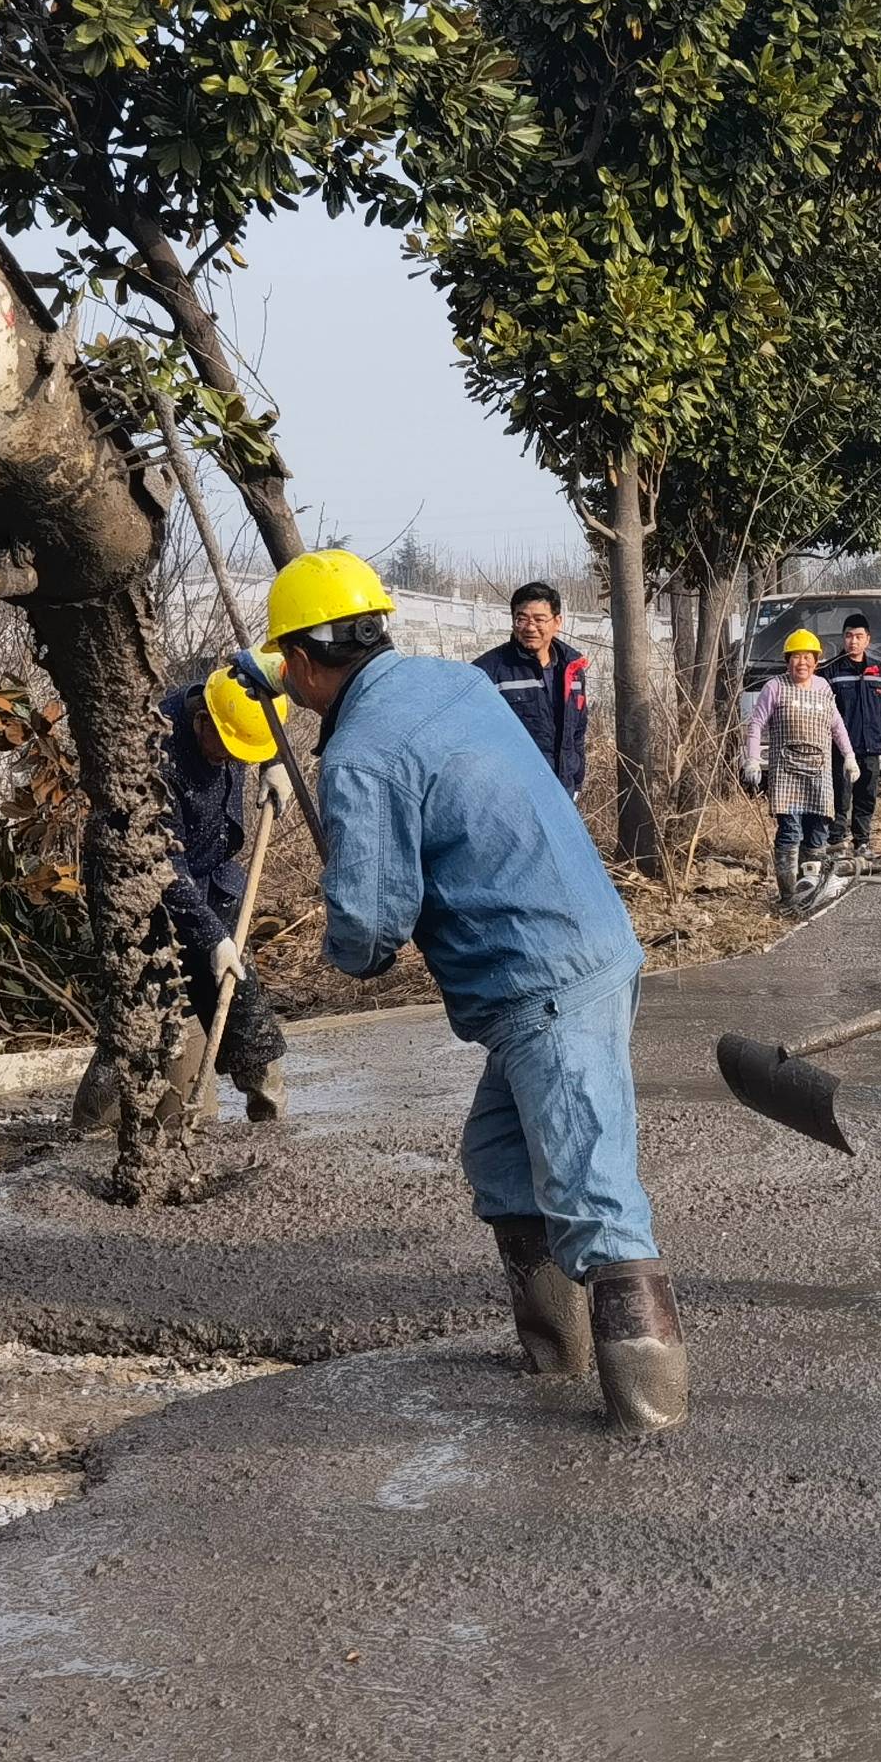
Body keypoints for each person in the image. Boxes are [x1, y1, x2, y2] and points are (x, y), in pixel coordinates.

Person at [267, 548, 688, 1433]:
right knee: (503, 1164)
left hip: (542, 978)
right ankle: (554, 1361)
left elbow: (371, 928)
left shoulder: (364, 756)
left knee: (594, 1193)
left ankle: (651, 1422)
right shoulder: (447, 685)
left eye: (287, 666)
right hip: (585, 943)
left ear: (304, 661)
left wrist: (345, 934)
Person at [159, 654, 294, 1124]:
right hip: (149, 888)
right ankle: (100, 1126)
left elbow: (259, 714)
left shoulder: (231, 696)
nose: (234, 760)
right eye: (230, 751)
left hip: (213, 871)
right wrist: (211, 937)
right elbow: (163, 864)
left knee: (242, 998)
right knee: (143, 1017)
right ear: (200, 722)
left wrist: (271, 761)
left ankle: (270, 1112)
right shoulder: (153, 757)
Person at [745, 626, 861, 905]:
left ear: (816, 661)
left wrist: (849, 756)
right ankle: (788, 895)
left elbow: (837, 726)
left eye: (808, 657)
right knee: (790, 831)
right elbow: (756, 724)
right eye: (796, 657)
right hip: (786, 775)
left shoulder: (823, 688)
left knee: (818, 832)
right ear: (787, 661)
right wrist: (751, 759)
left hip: (819, 774)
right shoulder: (774, 687)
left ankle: (811, 890)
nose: (802, 662)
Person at [473, 579, 591, 798]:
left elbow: (577, 731)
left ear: (557, 622)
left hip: (562, 788)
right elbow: (474, 738)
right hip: (512, 793)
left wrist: (576, 781)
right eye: (521, 619)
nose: (530, 628)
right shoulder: (487, 671)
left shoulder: (572, 669)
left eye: (539, 620)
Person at [823, 615, 881, 858]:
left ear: (867, 640)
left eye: (858, 636)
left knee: (866, 798)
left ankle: (862, 843)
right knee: (840, 797)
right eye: (848, 636)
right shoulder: (831, 670)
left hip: (871, 745)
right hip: (842, 749)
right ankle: (836, 843)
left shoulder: (879, 668)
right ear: (843, 639)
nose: (853, 641)